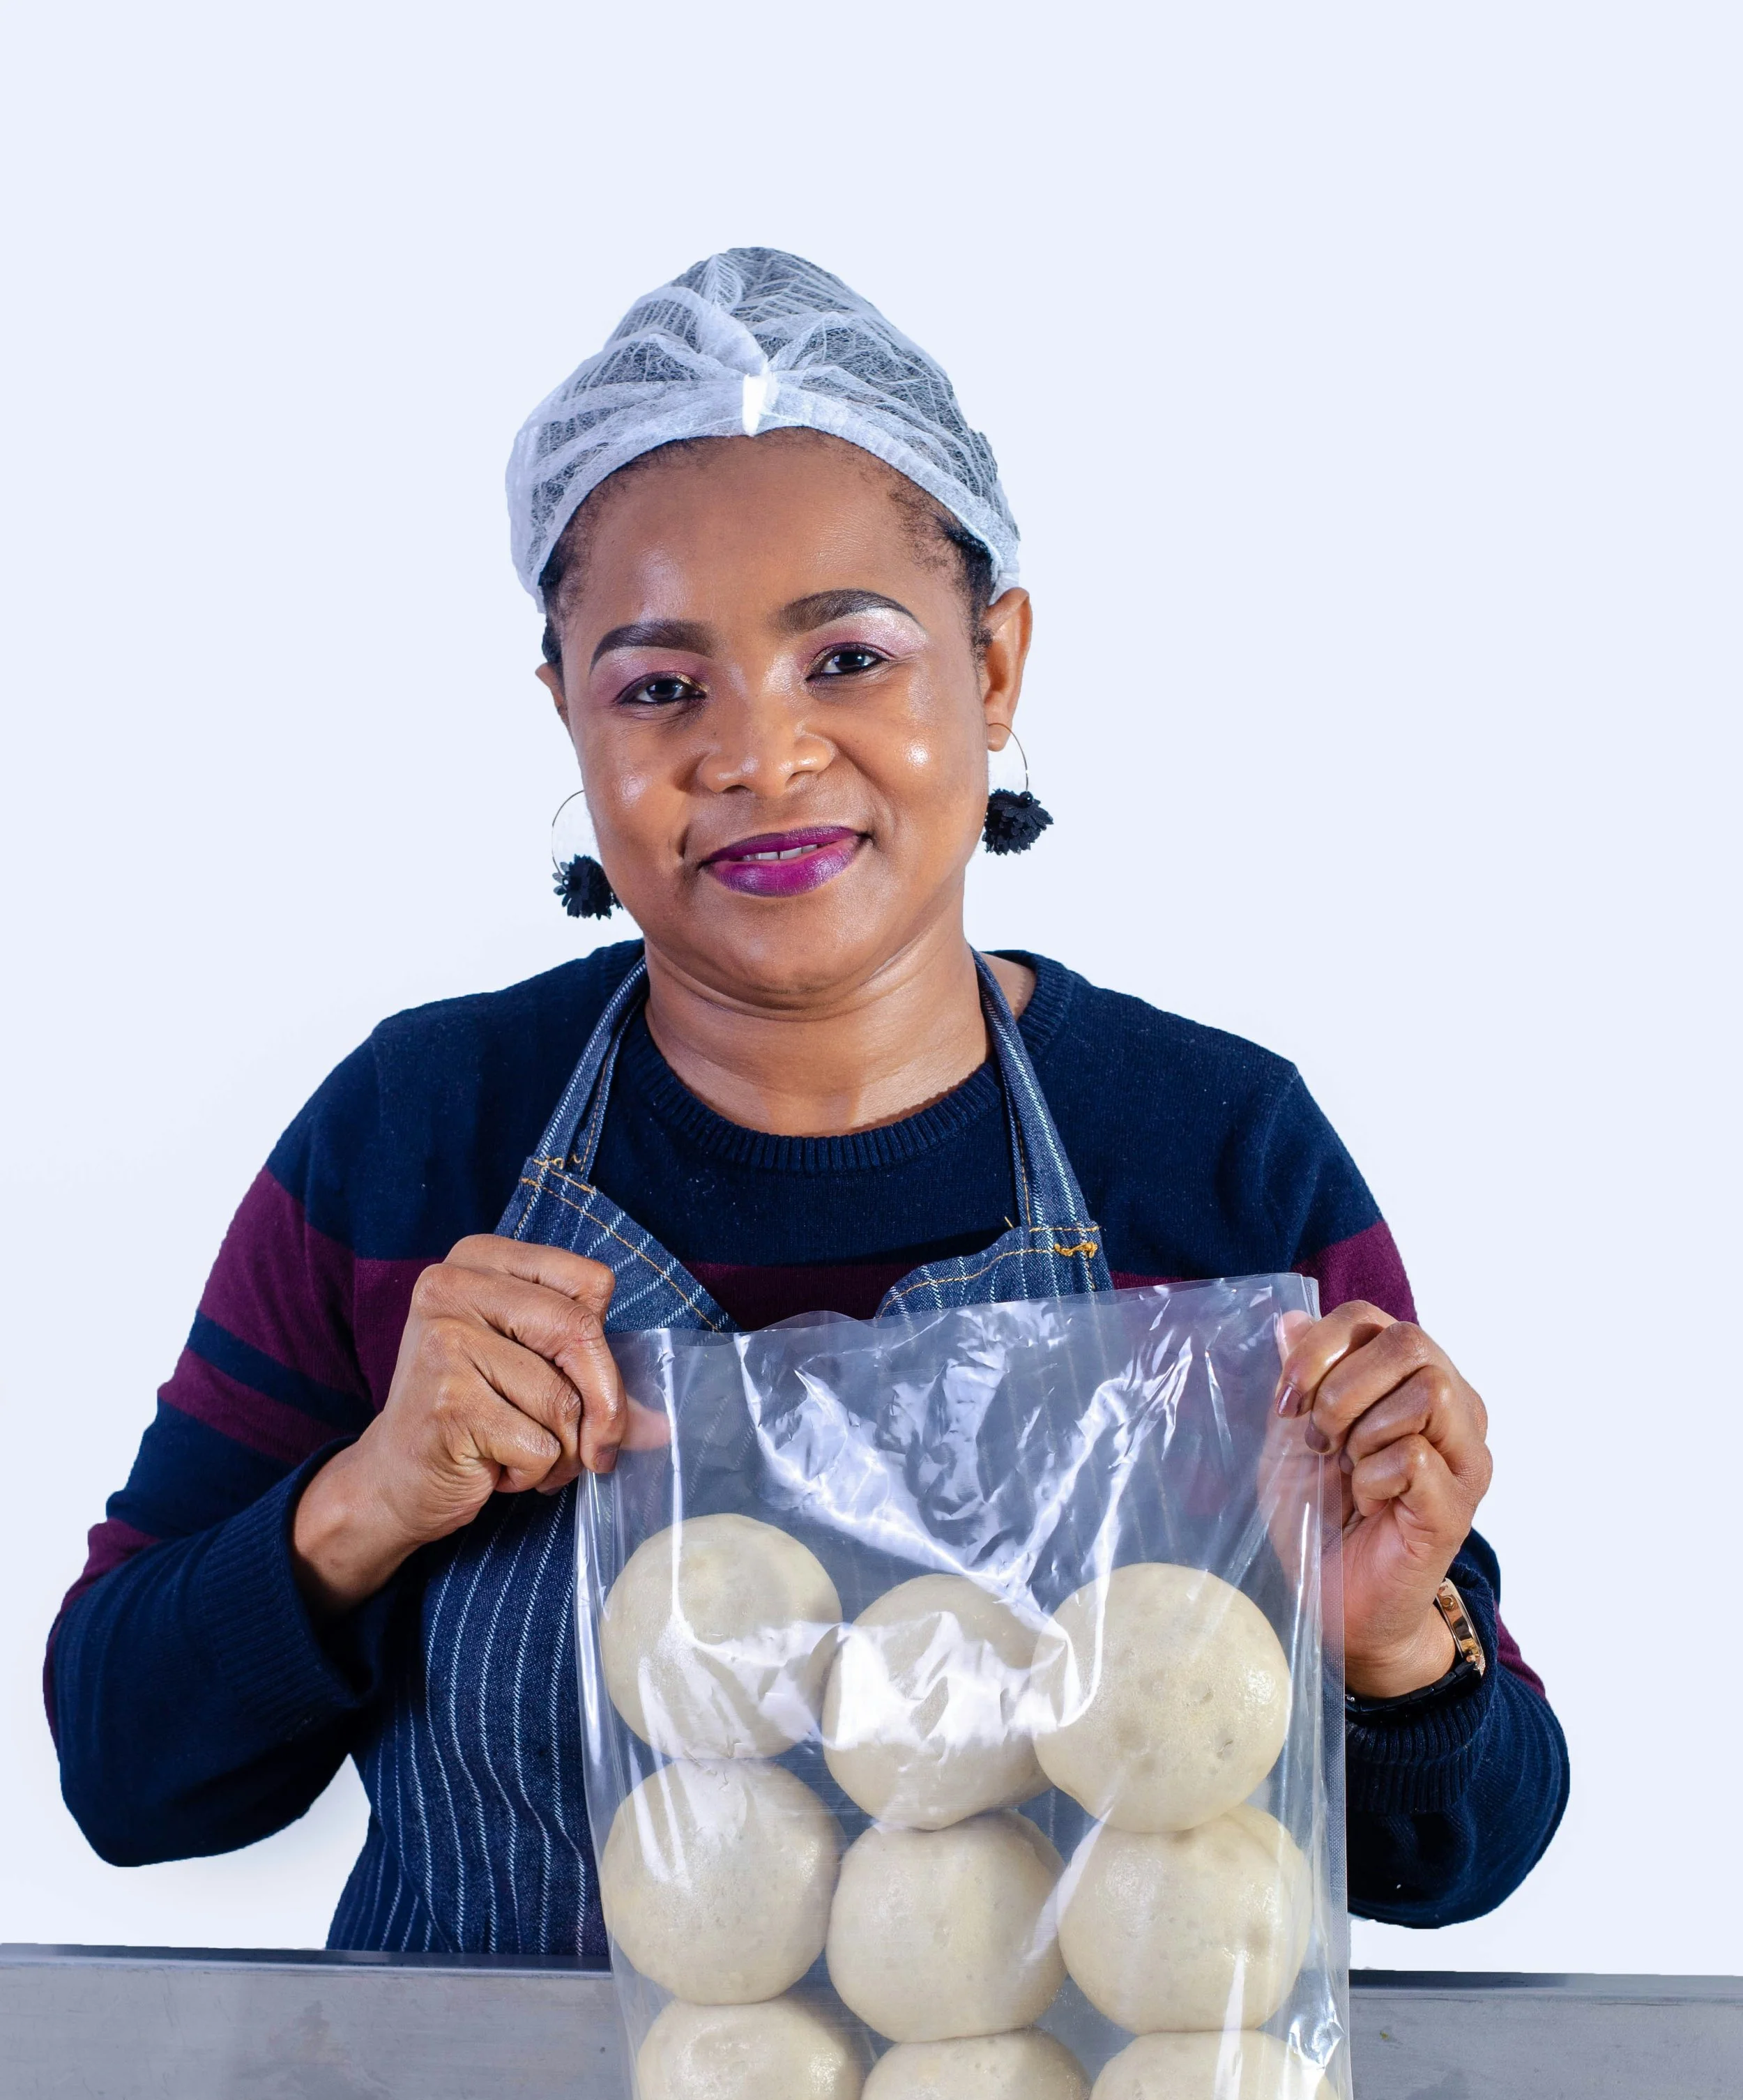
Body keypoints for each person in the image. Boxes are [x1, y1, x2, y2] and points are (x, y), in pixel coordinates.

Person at [47, 248, 1567, 1955]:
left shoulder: (1211, 1157)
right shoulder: (421, 1136)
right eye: (658, 686)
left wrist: (1380, 1646)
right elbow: (124, 1774)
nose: (758, 754)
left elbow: (1462, 1855)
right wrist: (370, 1497)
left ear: (989, 672)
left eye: (845, 658)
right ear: (566, 708)